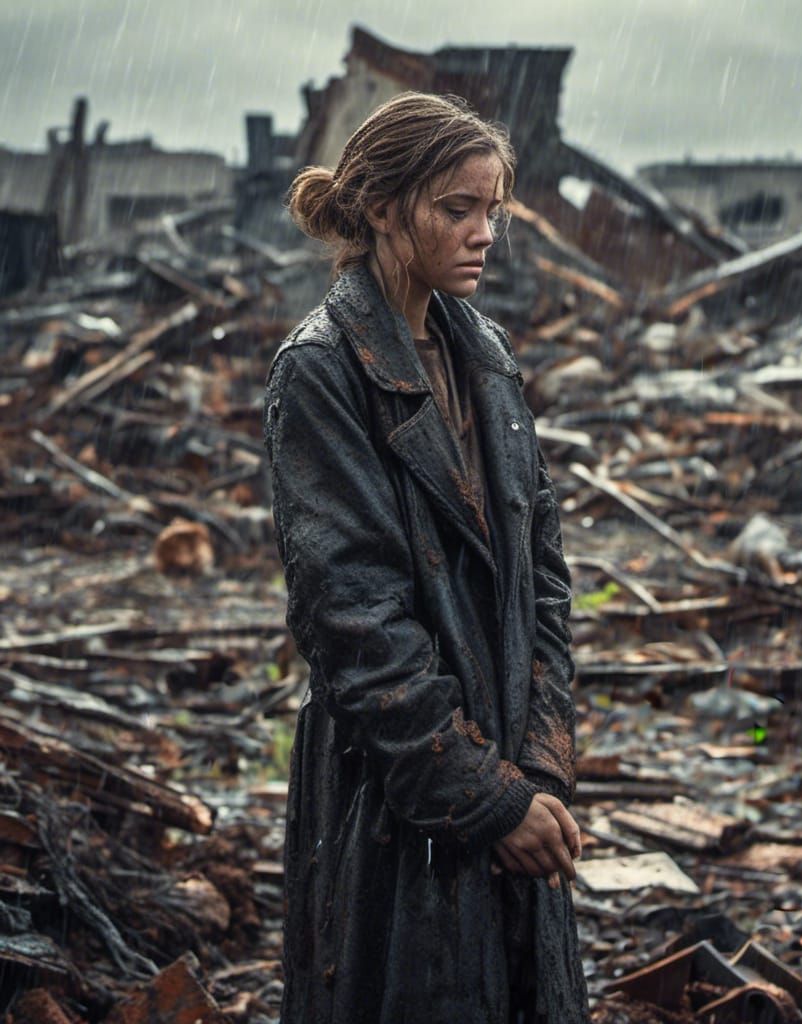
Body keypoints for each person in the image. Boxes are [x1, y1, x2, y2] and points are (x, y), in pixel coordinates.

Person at [262, 92, 589, 1024]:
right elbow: (355, 624)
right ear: (380, 207)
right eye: (457, 209)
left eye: (494, 210)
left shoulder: (483, 352)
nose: (485, 232)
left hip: (509, 780)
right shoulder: (324, 371)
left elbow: (547, 581)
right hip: (395, 800)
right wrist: (480, 800)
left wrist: (539, 768)